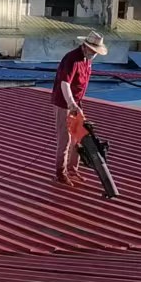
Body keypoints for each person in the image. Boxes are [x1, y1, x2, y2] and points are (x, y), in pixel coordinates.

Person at [52, 31, 108, 183]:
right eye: (92, 51)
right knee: (65, 139)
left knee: (78, 137)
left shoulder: (87, 60)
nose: (94, 54)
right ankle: (60, 173)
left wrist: (76, 104)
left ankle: (72, 169)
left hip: (77, 102)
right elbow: (65, 83)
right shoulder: (72, 59)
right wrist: (71, 103)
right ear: (85, 46)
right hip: (64, 102)